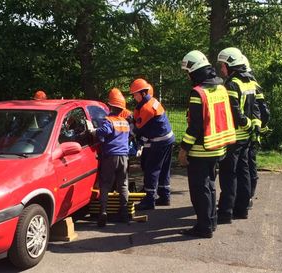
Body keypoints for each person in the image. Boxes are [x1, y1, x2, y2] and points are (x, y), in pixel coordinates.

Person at [178, 50, 236, 238]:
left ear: (194, 70)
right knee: (210, 186)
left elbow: (194, 127)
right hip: (218, 146)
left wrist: (183, 149)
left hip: (201, 150)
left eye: (188, 72)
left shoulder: (198, 92)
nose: (187, 76)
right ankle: (211, 222)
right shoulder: (220, 87)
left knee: (199, 190)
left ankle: (203, 227)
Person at [217, 47, 261, 223]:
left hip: (234, 137)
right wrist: (254, 127)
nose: (221, 69)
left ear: (231, 65)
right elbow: (256, 108)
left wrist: (246, 123)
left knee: (228, 174)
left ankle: (226, 212)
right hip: (246, 137)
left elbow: (234, 111)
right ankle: (242, 209)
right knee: (244, 172)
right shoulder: (249, 82)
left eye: (223, 65)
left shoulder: (232, 84)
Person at [130, 78, 175, 210]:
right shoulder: (152, 101)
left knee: (152, 170)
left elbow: (139, 128)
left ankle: (149, 200)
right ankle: (165, 196)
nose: (133, 97)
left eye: (135, 94)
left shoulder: (147, 108)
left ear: (142, 93)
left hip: (159, 142)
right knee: (164, 170)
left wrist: (131, 126)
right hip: (167, 139)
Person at [89, 87, 130, 227]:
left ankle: (103, 212)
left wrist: (94, 132)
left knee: (105, 184)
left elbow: (104, 132)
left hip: (110, 157)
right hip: (124, 157)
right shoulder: (125, 122)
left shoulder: (109, 121)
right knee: (123, 184)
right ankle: (124, 213)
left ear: (111, 107)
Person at [243, 55, 271, 208]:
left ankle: (246, 199)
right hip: (254, 133)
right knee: (251, 165)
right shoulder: (255, 84)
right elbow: (264, 111)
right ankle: (249, 197)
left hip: (245, 132)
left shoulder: (245, 85)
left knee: (245, 167)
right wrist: (261, 127)